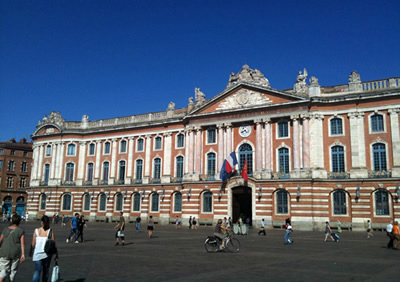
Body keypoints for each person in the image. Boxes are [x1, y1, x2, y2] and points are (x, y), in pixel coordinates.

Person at [31, 215, 58, 282]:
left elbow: (33, 243)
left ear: (42, 222)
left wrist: (31, 251)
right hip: (47, 254)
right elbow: (53, 243)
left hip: (37, 253)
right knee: (46, 270)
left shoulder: (36, 230)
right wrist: (56, 254)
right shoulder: (50, 231)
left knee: (37, 271)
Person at [0, 214, 25, 282]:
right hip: (15, 253)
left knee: (3, 271)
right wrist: (23, 255)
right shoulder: (20, 231)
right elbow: (22, 243)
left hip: (4, 252)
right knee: (13, 271)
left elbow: (0, 240)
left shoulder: (5, 229)